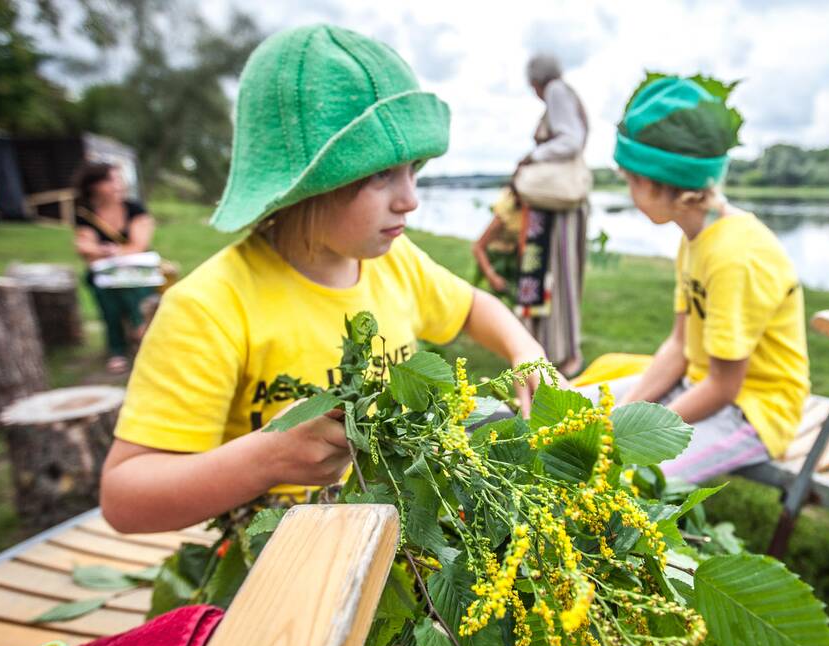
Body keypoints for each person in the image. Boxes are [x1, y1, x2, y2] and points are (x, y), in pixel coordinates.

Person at [100, 25, 549, 534]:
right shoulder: (210, 306)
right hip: (275, 554)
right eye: (380, 174)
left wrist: (523, 350)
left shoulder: (395, 260)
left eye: (414, 170)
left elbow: (473, 307)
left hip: (397, 537)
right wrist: (267, 458)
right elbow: (124, 499)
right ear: (305, 181)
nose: (410, 199)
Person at [602, 75, 809, 483]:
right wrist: (621, 415)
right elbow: (679, 344)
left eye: (631, 182)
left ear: (660, 183)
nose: (628, 193)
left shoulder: (736, 256)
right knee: (583, 414)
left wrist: (632, 432)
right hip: (695, 384)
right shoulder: (697, 236)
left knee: (630, 479)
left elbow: (724, 386)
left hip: (754, 409)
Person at [515, 53, 589, 377]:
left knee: (557, 277)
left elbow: (570, 141)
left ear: (536, 82)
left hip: (557, 208)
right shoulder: (563, 94)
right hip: (549, 208)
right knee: (543, 274)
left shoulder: (557, 91)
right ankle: (541, 346)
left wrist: (533, 156)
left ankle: (566, 353)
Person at [72, 162, 158, 374]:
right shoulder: (85, 213)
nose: (118, 184)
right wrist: (115, 250)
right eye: (111, 179)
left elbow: (139, 245)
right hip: (107, 274)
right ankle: (133, 338)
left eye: (118, 179)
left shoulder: (134, 208)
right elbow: (83, 247)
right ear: (94, 185)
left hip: (138, 272)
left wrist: (105, 250)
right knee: (108, 294)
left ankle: (125, 344)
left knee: (129, 289)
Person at [471, 185, 522, 299]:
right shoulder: (505, 213)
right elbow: (478, 247)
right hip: (494, 260)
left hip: (514, 259)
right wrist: (491, 276)